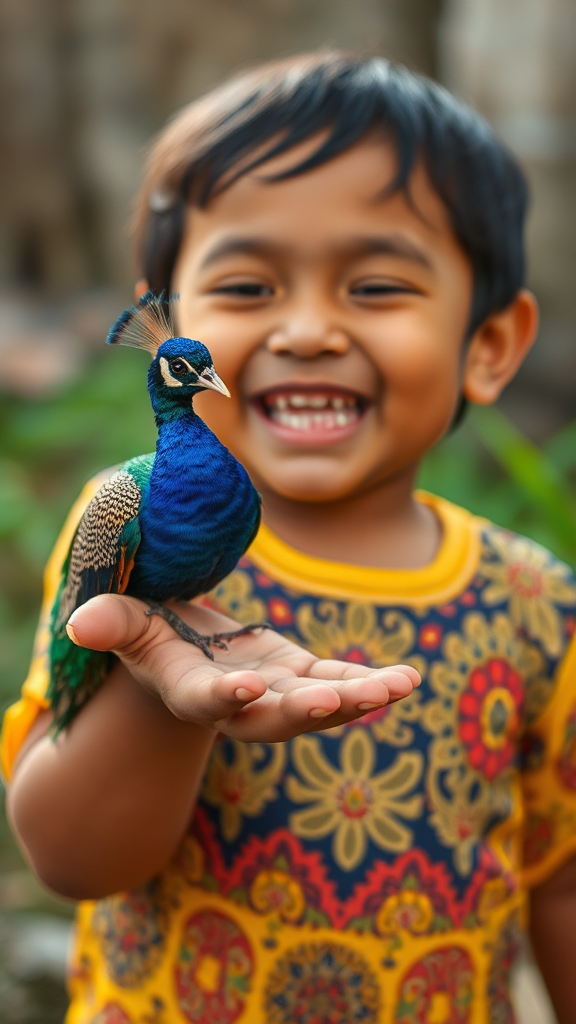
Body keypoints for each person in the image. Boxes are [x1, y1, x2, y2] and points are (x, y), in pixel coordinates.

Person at [3, 51, 576, 1024]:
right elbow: (70, 859)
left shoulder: (538, 599)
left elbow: (560, 881)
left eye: (377, 287)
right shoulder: (116, 512)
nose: (307, 330)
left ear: (487, 346)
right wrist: (163, 689)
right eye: (249, 287)